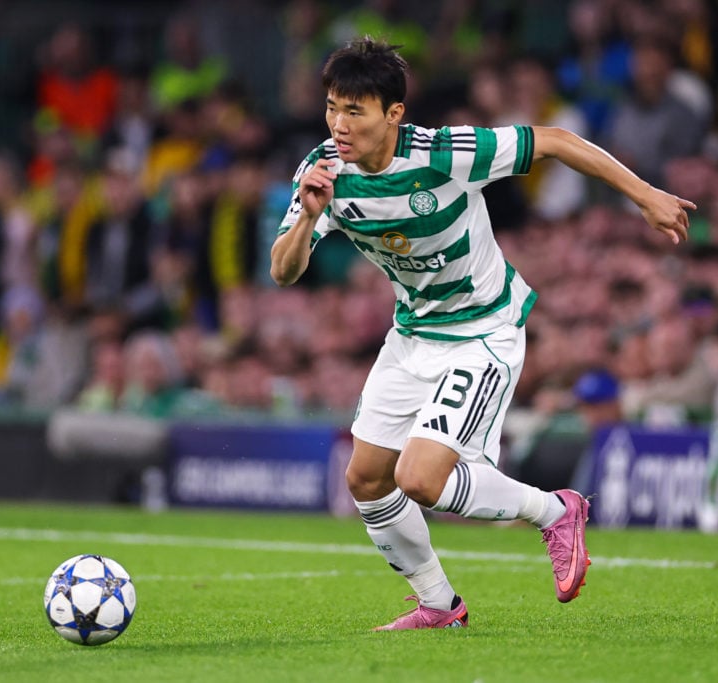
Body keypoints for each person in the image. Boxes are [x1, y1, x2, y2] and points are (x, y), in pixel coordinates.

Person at [270, 38, 693, 631]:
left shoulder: (446, 153)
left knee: (419, 480)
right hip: (412, 334)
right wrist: (310, 216)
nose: (338, 124)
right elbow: (283, 271)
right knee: (365, 479)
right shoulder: (322, 172)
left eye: (354, 111)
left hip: (482, 330)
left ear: (393, 114)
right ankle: (439, 606)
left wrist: (645, 197)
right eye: (332, 108)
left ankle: (554, 511)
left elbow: (556, 140)